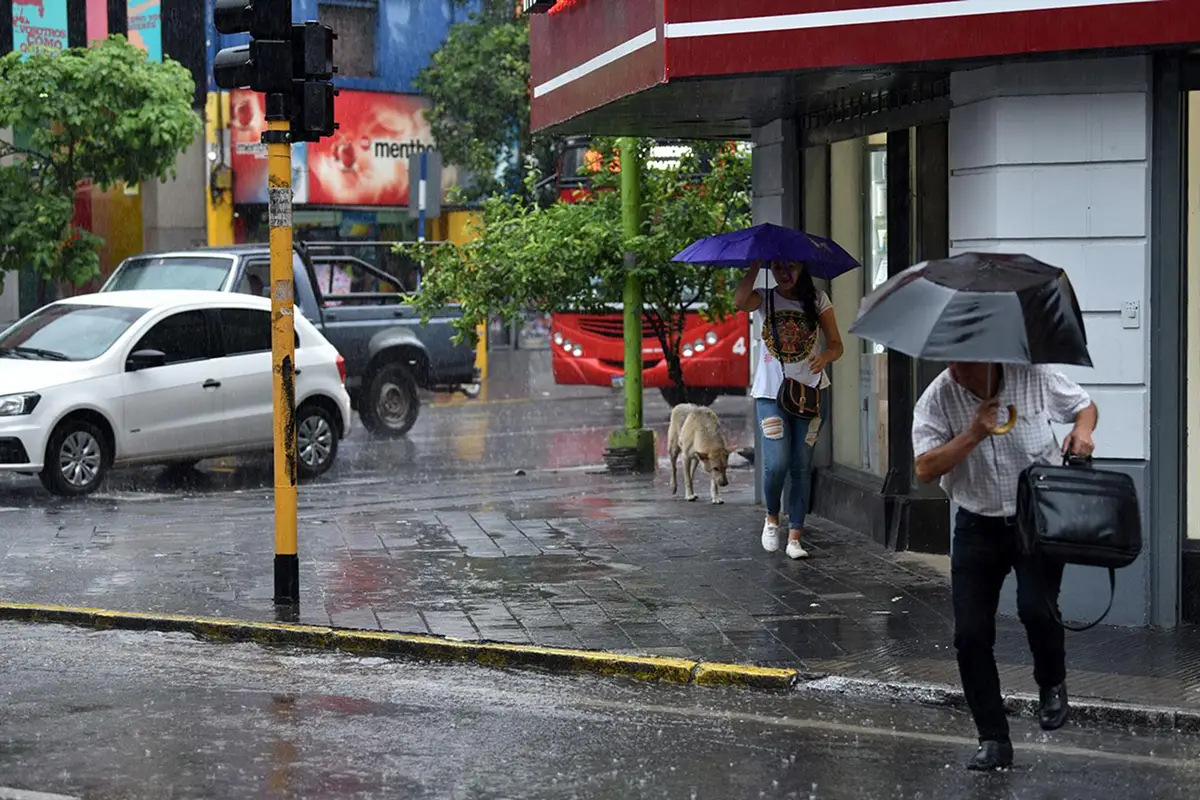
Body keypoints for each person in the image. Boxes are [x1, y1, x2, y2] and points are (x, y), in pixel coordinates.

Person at [912, 362, 1099, 771]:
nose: (955, 368)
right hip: (977, 524)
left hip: (1036, 519)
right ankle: (993, 738)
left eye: (965, 359)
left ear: (989, 354)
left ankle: (1051, 680)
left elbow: (1085, 406)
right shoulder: (938, 397)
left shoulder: (1034, 377)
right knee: (970, 635)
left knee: (1037, 608)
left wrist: (1083, 431)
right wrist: (974, 432)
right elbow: (925, 468)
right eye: (951, 358)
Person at [734, 260, 844, 560]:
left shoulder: (818, 299)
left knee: (800, 464)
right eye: (778, 267)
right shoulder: (764, 297)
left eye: (790, 267)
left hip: (811, 394)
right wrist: (756, 264)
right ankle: (772, 516)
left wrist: (825, 357)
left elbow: (837, 344)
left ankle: (795, 536)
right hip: (771, 394)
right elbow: (739, 301)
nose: (784, 273)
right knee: (777, 462)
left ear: (802, 268)